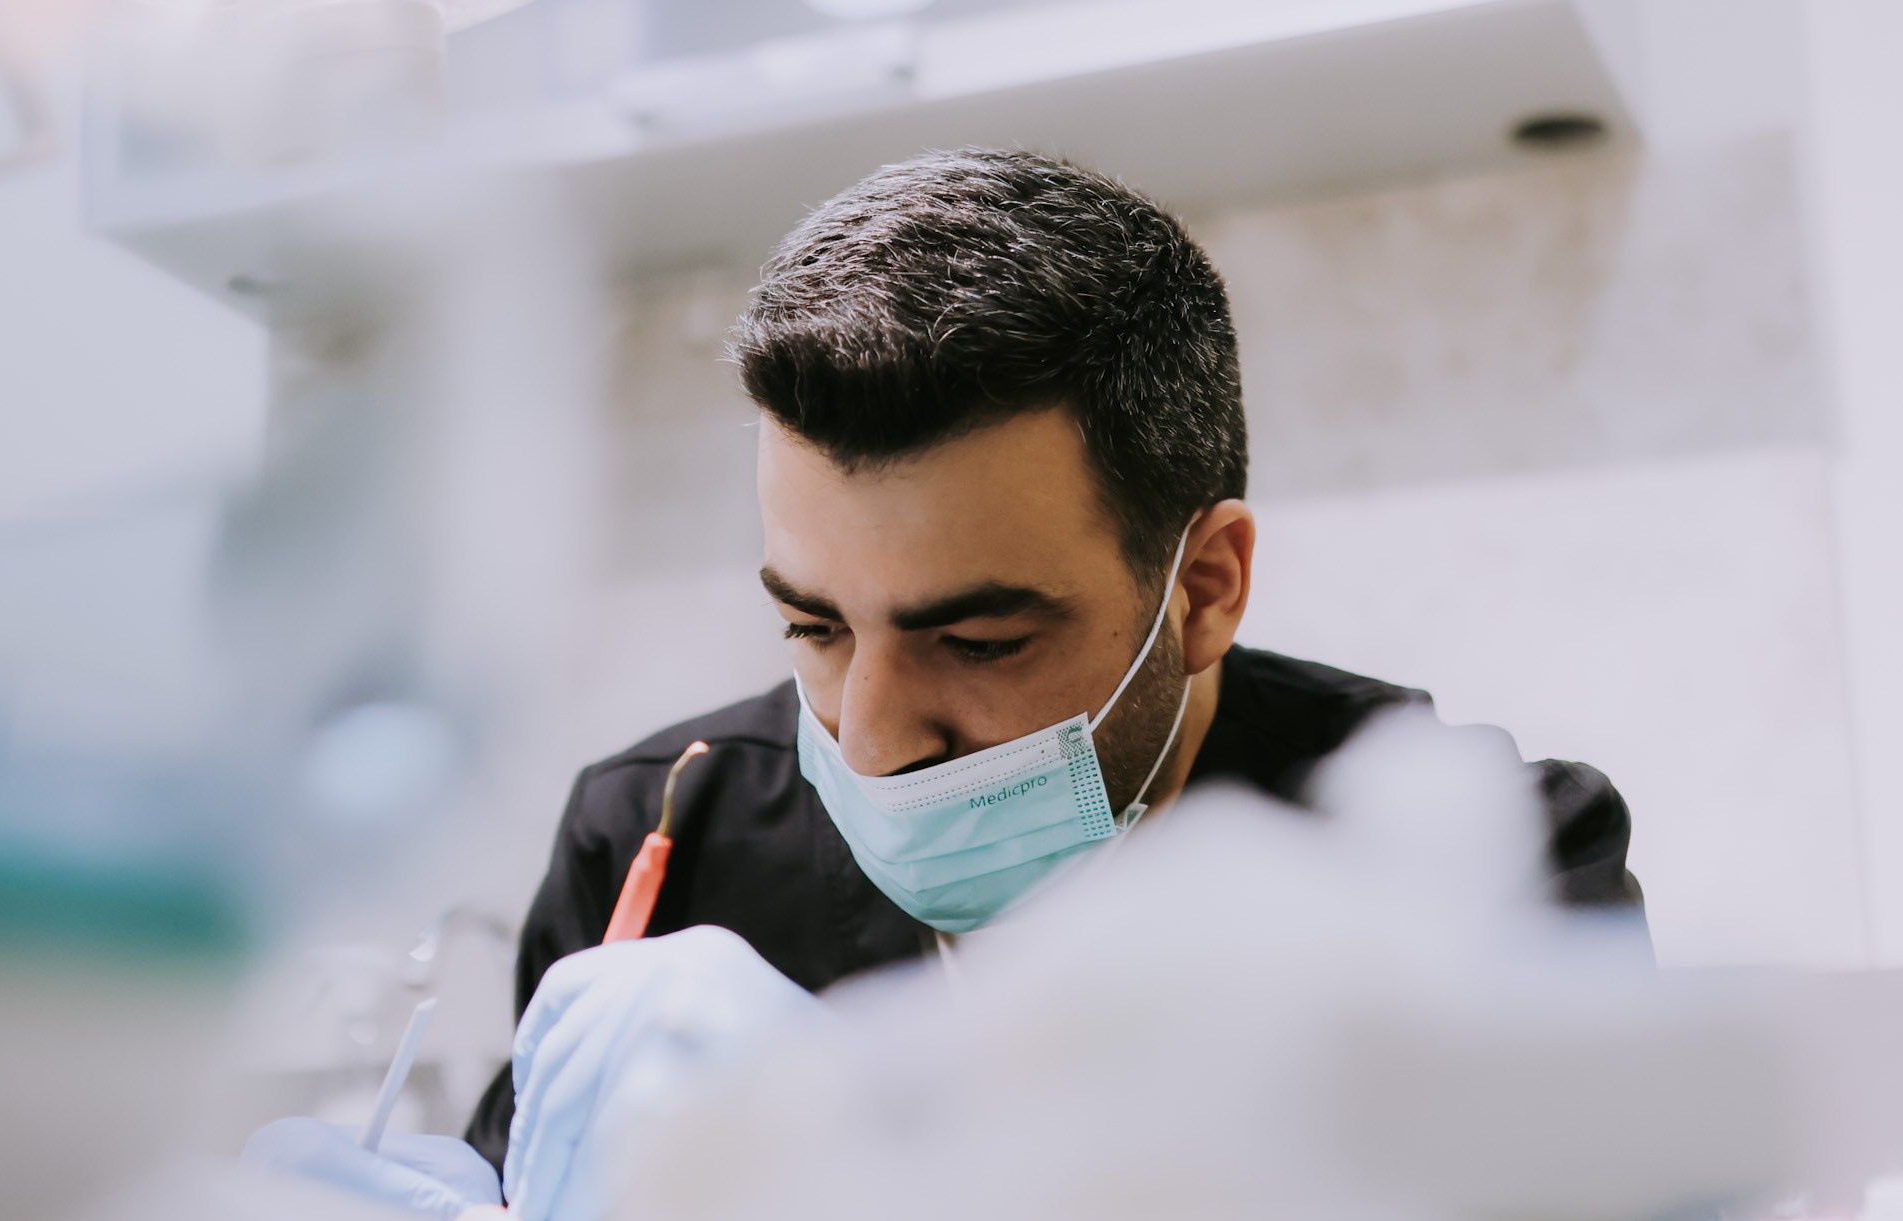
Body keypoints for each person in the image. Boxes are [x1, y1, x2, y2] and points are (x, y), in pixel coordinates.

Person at [250, 149, 1643, 1219]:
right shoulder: (663, 841)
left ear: (1204, 584)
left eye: (978, 643)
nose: (869, 734)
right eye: (814, 625)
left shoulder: (1479, 863)